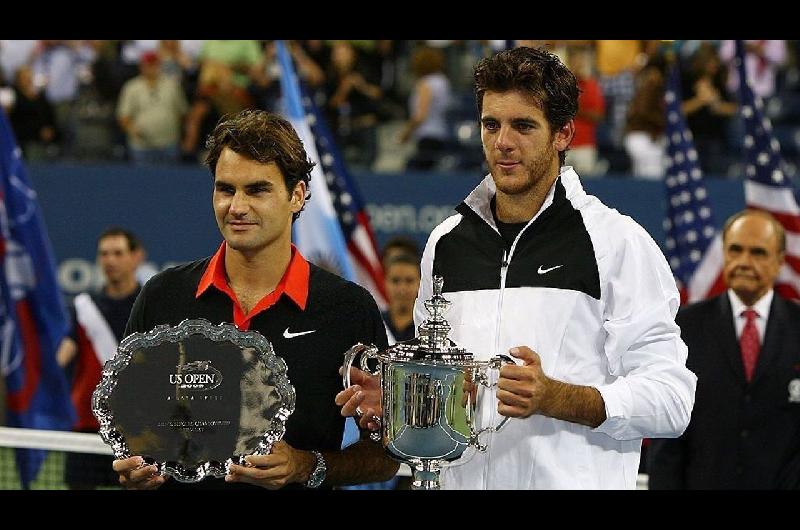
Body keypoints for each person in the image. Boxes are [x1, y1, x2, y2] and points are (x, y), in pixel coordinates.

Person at [337, 46, 696, 489]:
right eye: (491, 125)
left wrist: (557, 397)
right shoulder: (446, 242)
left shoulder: (617, 243)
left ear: (563, 133)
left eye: (523, 125)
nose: (502, 142)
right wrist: (403, 398)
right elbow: (458, 398)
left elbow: (672, 400)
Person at [112, 109, 398, 490]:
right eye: (225, 188)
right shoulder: (162, 296)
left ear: (297, 195)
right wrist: (134, 472)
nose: (237, 207)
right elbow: (129, 427)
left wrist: (305, 465)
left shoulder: (348, 308)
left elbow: (385, 454)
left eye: (257, 190)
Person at [648, 210, 800, 489]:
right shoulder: (683, 327)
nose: (744, 262)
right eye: (736, 250)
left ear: (779, 261)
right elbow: (667, 434)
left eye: (758, 253)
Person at [56, 227, 143, 489]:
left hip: (134, 427)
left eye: (118, 253)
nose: (110, 261)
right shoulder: (84, 308)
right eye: (104, 254)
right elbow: (63, 354)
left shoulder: (148, 304)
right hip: (86, 424)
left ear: (136, 257)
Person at [382, 253, 421, 343]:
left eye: (409, 281)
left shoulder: (427, 327)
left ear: (420, 284)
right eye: (395, 281)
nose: (402, 289)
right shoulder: (375, 323)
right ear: (385, 282)